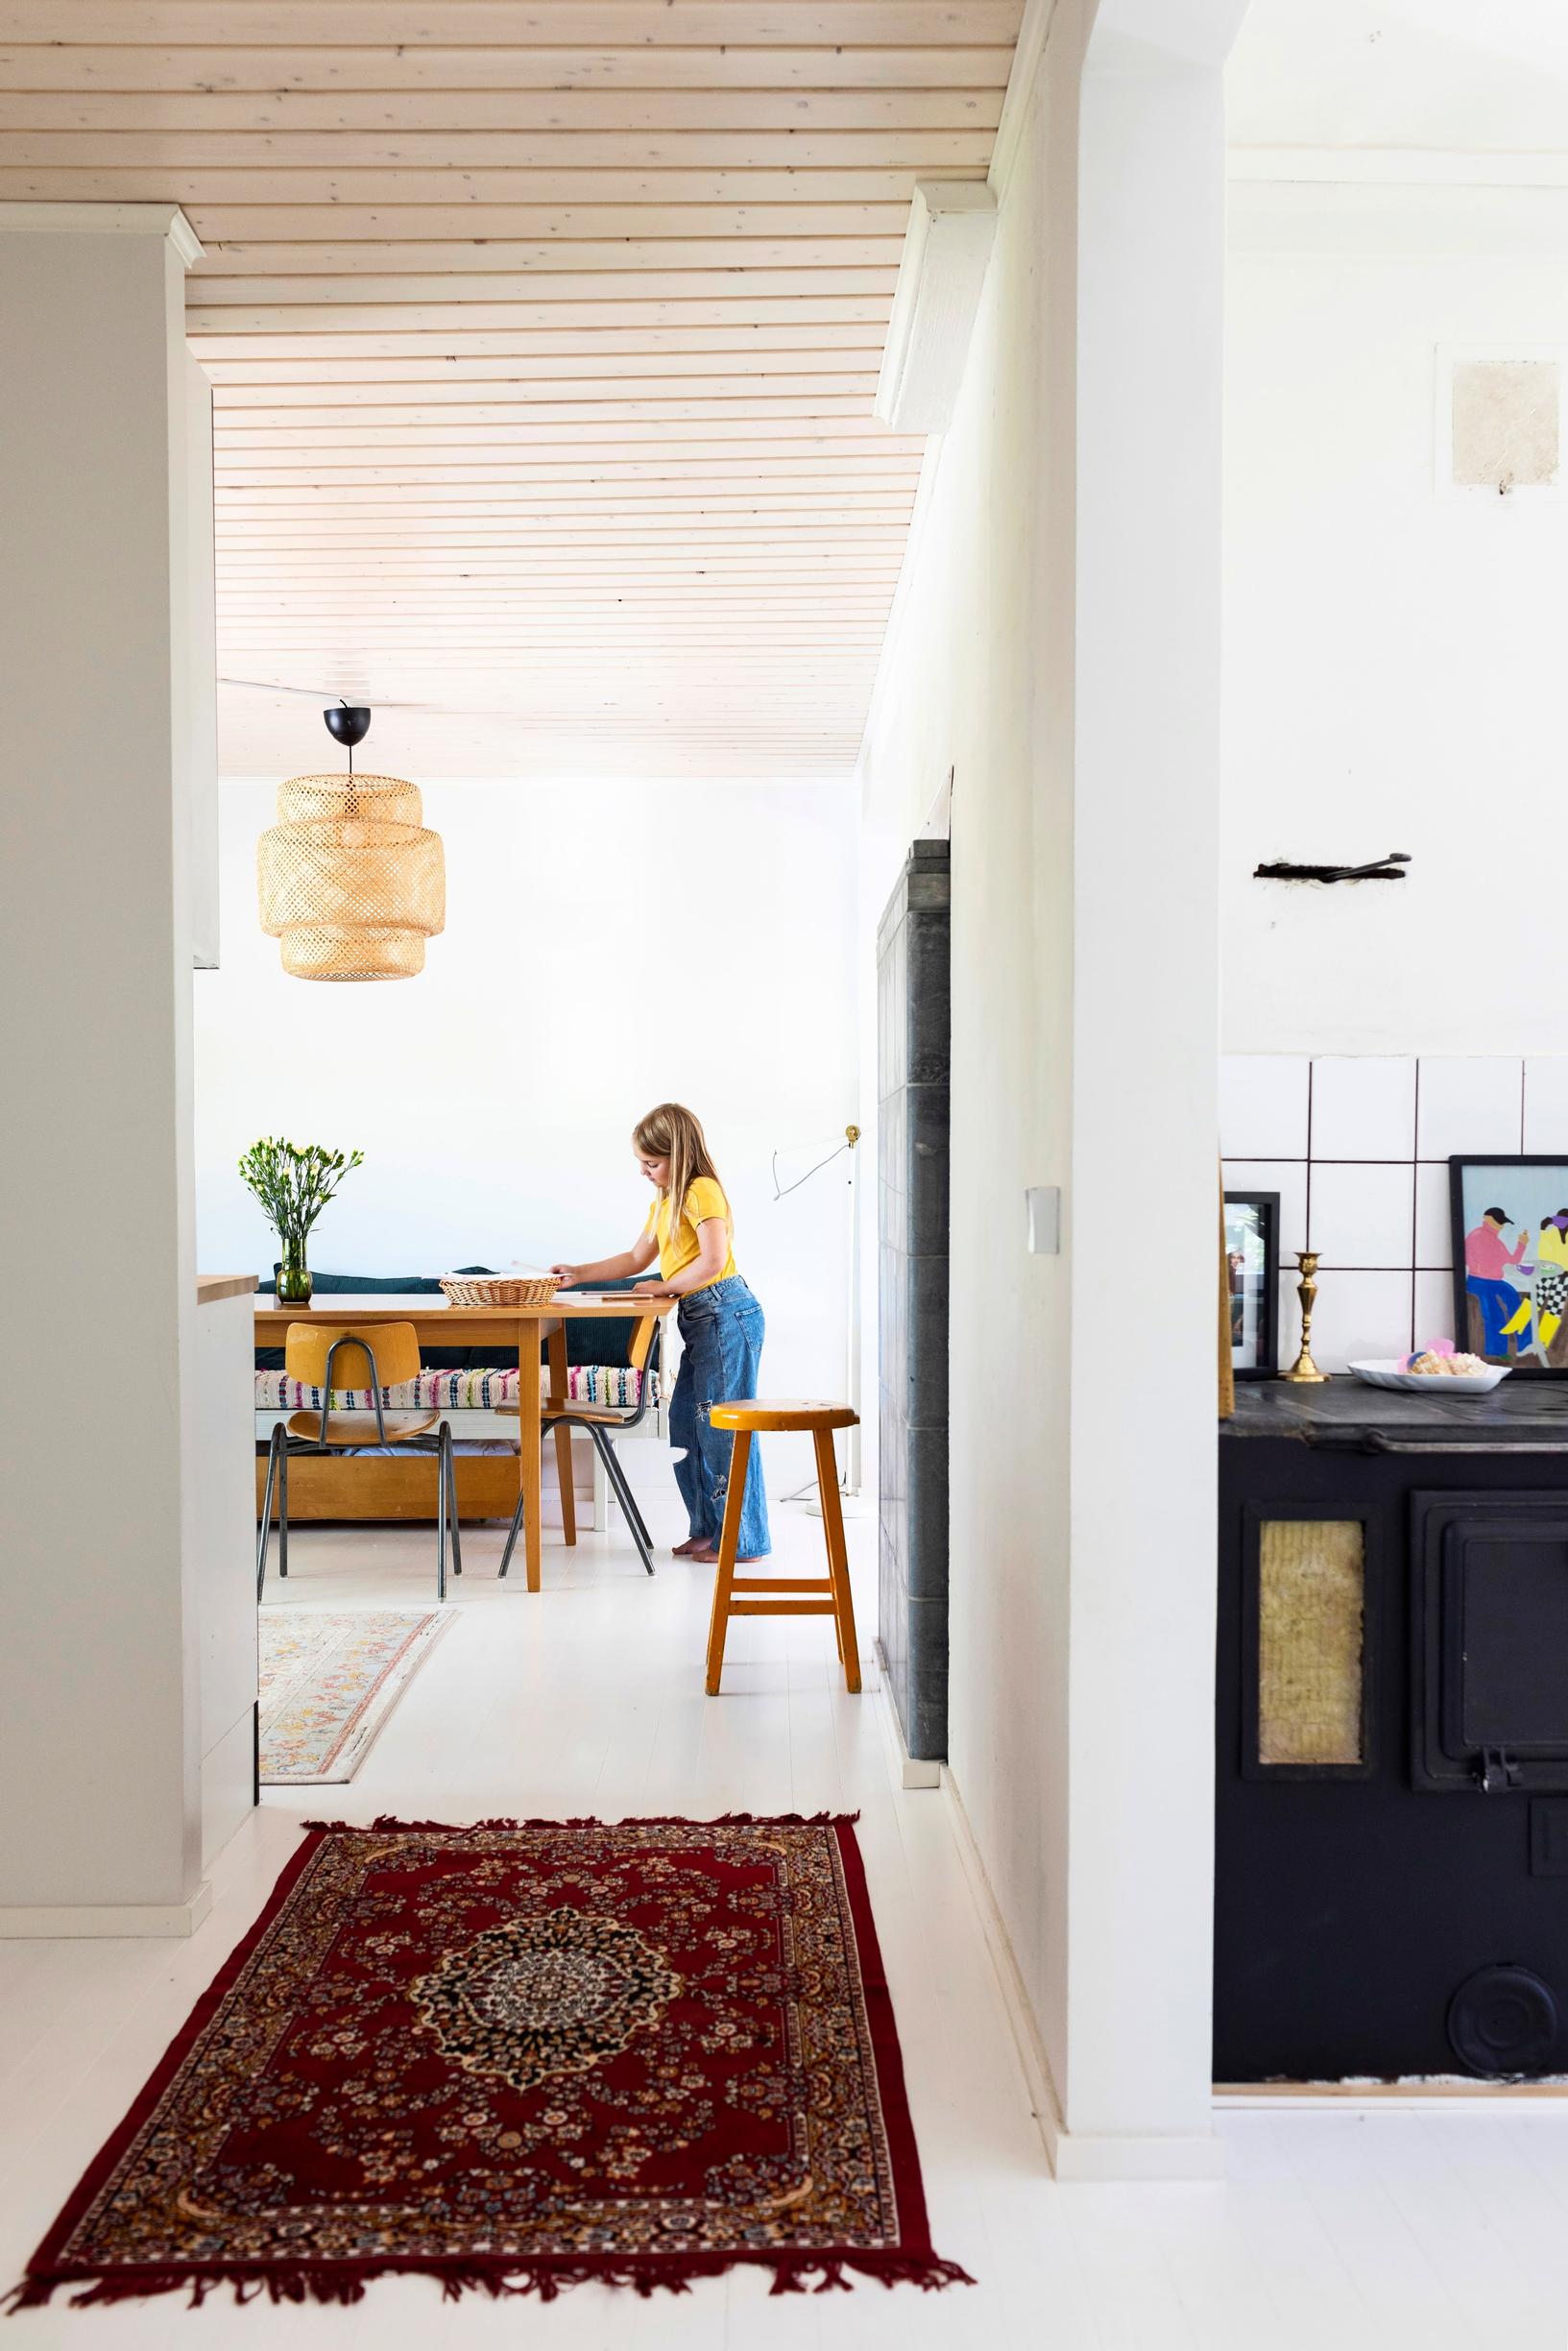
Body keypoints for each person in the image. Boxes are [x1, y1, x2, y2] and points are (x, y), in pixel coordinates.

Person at [551, 1103, 771, 1563]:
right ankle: (708, 1530)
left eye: (652, 1163)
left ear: (680, 1153)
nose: (645, 1172)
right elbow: (634, 1259)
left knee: (722, 1430)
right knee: (688, 1425)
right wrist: (579, 1273)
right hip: (701, 1317)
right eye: (642, 1164)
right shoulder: (666, 1201)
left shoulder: (701, 1191)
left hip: (725, 1313)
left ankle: (741, 1540)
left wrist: (665, 1285)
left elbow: (712, 1262)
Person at [1463, 1205, 1529, 1357]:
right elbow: (1466, 1256)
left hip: (1496, 1282)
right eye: (1499, 1222)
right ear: (1487, 1220)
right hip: (1478, 1281)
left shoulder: (1498, 1242)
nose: (1501, 1226)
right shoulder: (1475, 1235)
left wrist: (1522, 1244)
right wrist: (1477, 1268)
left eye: (1502, 1223)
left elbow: (1513, 1261)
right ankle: (1497, 1352)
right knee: (1493, 1312)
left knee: (1514, 1299)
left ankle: (1525, 1343)